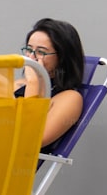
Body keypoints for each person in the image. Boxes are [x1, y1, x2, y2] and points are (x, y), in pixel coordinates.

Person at [17, 18, 85, 152]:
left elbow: (30, 141)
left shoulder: (70, 98)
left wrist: (33, 84)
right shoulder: (18, 85)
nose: (31, 58)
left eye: (41, 52)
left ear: (62, 58)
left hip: (11, 166)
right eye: (29, 50)